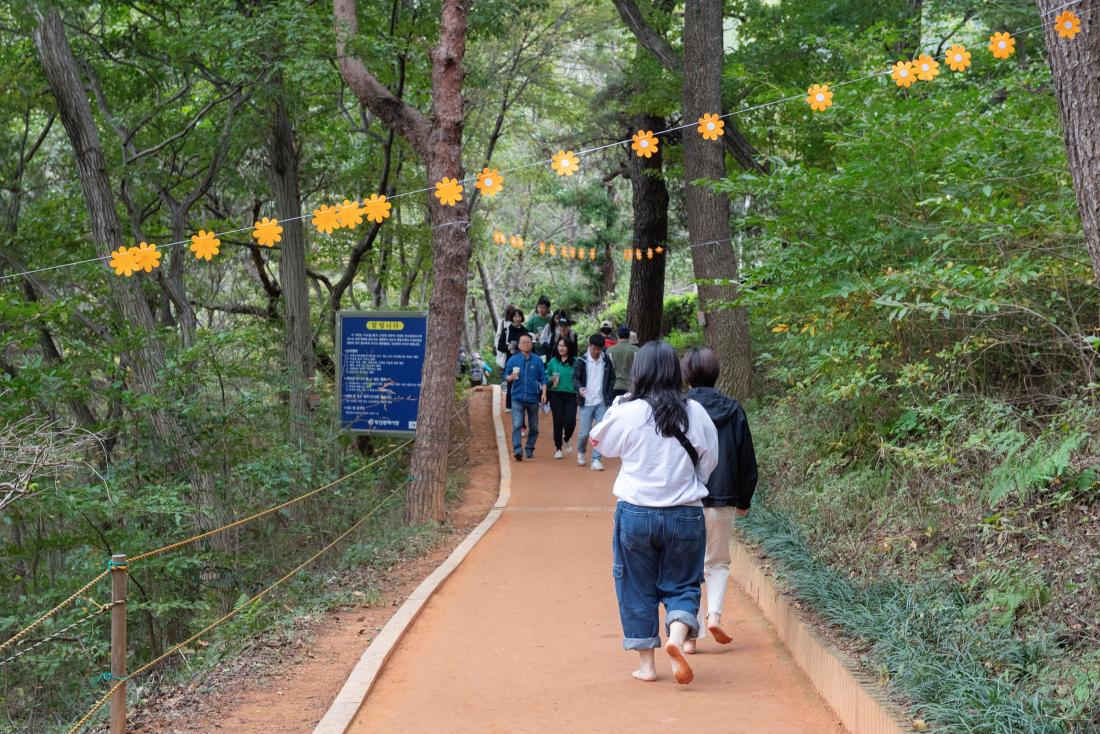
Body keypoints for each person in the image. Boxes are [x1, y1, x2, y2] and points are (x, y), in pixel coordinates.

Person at [588, 341, 719, 685]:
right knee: (684, 583)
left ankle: (647, 666)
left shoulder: (629, 412)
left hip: (636, 513)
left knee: (636, 586)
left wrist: (620, 403)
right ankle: (676, 639)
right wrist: (692, 484)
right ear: (677, 372)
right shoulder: (696, 412)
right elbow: (710, 461)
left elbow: (599, 442)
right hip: (685, 513)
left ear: (640, 372)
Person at [680, 347, 758, 653]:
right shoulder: (733, 408)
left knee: (687, 567)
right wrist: (744, 496)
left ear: (686, 375)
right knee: (718, 563)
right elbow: (746, 457)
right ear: (716, 373)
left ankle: (689, 637)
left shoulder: (681, 408)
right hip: (724, 497)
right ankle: (714, 615)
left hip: (686, 498)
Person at [574, 334, 616, 471]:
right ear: (589, 345)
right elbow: (575, 377)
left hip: (601, 402)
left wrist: (608, 395)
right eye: (594, 349)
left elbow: (612, 378)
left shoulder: (606, 361)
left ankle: (596, 459)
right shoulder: (581, 360)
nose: (597, 352)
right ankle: (581, 451)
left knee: (600, 432)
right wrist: (579, 388)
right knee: (584, 433)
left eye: (599, 349)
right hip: (586, 402)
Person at [503, 334, 547, 460]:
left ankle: (529, 449)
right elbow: (505, 376)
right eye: (523, 342)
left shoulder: (538, 360)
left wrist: (543, 394)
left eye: (528, 342)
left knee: (534, 427)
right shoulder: (513, 360)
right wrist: (510, 377)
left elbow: (543, 379)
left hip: (533, 398)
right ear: (519, 345)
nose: (526, 344)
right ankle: (517, 449)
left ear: (532, 344)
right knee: (517, 424)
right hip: (517, 397)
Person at [545, 337, 578, 459]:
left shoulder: (575, 362)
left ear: (569, 348)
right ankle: (558, 448)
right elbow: (546, 375)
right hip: (556, 394)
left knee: (571, 422)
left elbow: (579, 377)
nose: (561, 348)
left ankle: (566, 438)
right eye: (559, 345)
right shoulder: (553, 362)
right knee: (558, 421)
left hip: (571, 395)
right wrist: (550, 379)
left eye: (564, 346)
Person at [497, 307, 529, 412]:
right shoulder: (507, 330)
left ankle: (522, 404)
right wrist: (508, 347)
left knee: (522, 379)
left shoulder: (525, 331)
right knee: (510, 380)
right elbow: (500, 346)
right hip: (510, 359)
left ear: (522, 318)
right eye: (515, 316)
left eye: (519, 316)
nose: (517, 318)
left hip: (523, 359)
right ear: (512, 318)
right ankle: (509, 405)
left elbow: (529, 345)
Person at [606, 326, 638, 399]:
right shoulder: (636, 350)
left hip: (614, 386)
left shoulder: (609, 350)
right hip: (630, 387)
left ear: (617, 335)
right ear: (629, 336)